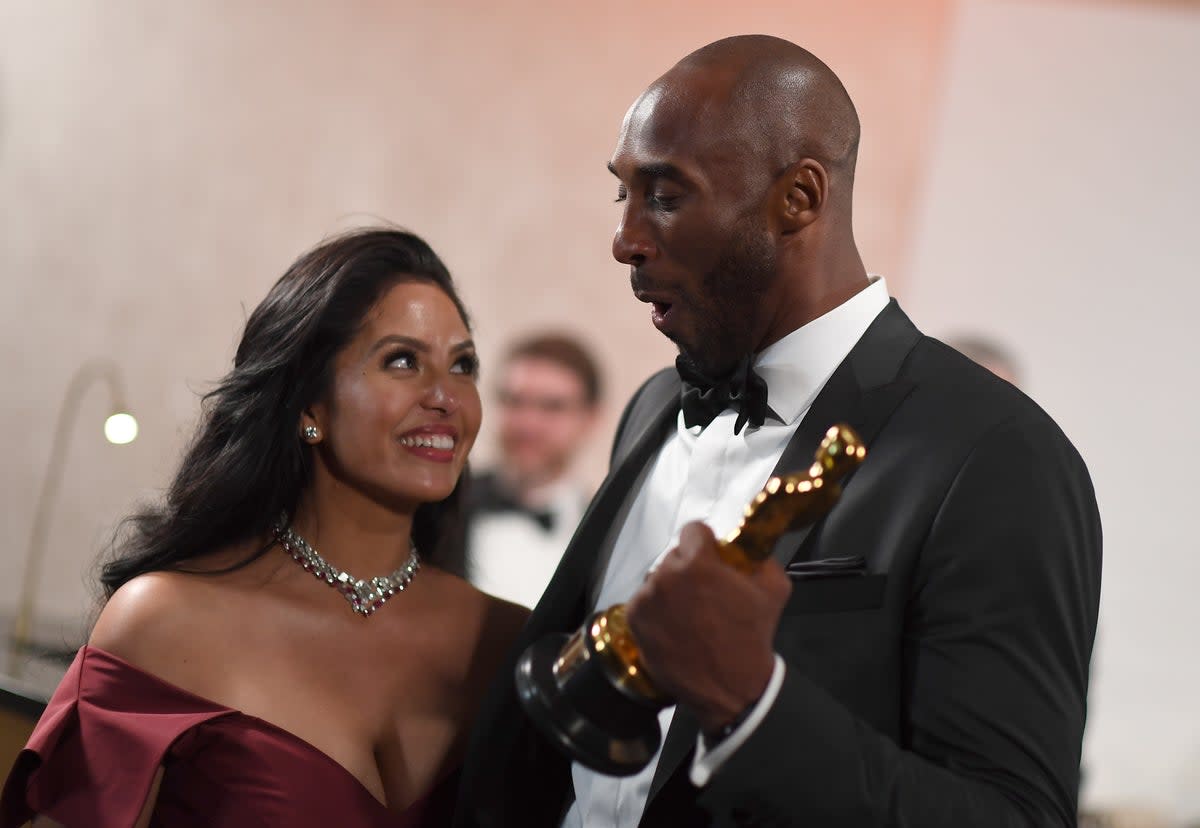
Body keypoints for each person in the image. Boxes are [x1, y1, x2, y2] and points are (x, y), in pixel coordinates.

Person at [454, 35, 1101, 827]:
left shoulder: (996, 456)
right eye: (621, 194)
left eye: (664, 195)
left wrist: (752, 705)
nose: (624, 239)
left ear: (798, 198)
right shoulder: (655, 405)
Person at [1, 228, 529, 827]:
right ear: (309, 405)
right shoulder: (163, 623)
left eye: (463, 365)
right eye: (402, 360)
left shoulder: (509, 641)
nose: (446, 397)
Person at [455, 334, 602, 608]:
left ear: (591, 418)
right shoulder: (443, 509)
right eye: (514, 401)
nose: (528, 424)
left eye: (552, 406)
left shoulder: (608, 532)